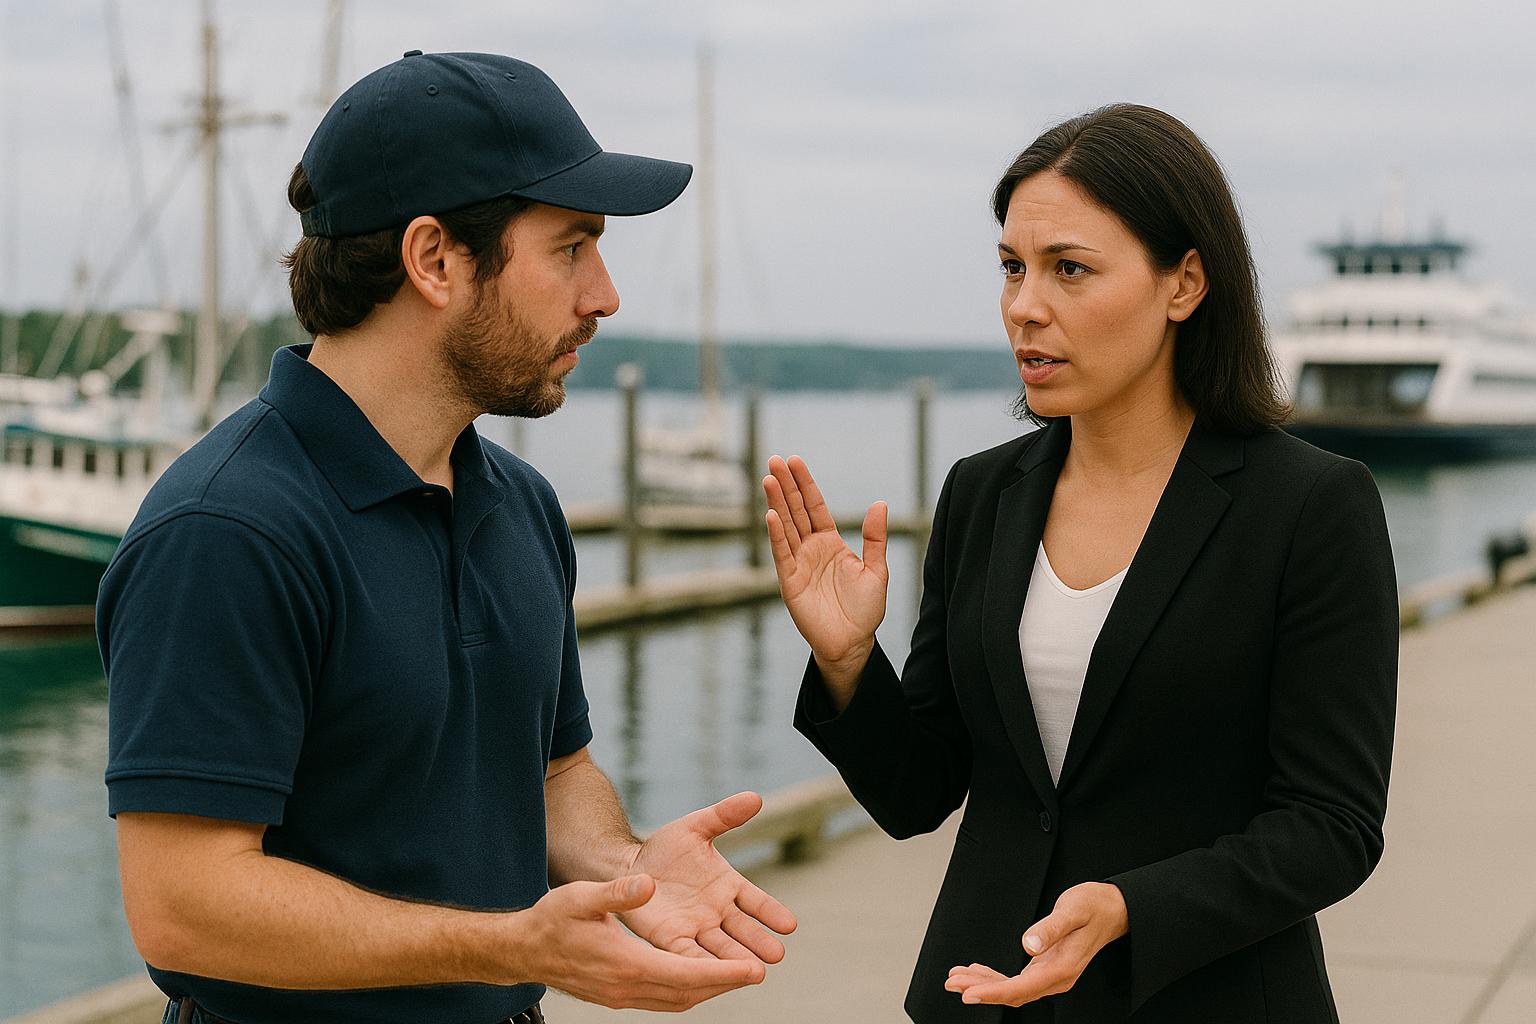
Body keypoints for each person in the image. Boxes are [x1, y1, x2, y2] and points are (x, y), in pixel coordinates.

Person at [101, 51, 795, 1024]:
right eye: (570, 247)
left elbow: (555, 771)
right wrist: (499, 941)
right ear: (434, 259)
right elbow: (183, 907)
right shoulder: (227, 529)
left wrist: (626, 867)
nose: (604, 294)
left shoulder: (522, 504)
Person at [764, 104, 1397, 1023]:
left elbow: (1332, 827)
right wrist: (850, 663)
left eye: (1070, 269)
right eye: (1013, 268)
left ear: (1184, 284)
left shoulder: (1310, 507)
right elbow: (918, 793)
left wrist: (1134, 907)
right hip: (983, 997)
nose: (1025, 304)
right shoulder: (982, 493)